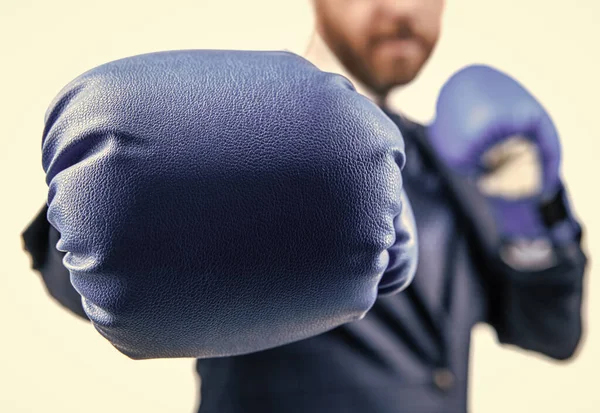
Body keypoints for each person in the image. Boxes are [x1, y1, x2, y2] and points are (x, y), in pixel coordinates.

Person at [21, 0, 587, 412]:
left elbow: (552, 335)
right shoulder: (230, 127)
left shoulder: (458, 159)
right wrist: (111, 202)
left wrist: (528, 219)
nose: (400, 9)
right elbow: (86, 254)